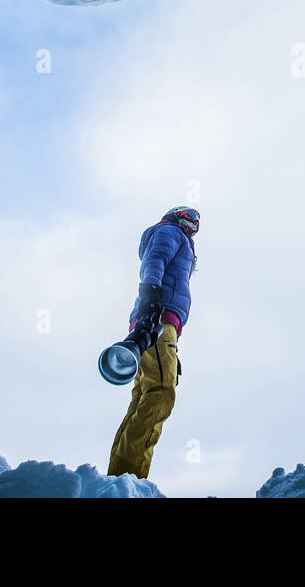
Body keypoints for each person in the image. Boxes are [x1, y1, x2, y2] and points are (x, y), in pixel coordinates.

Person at [107, 205, 199, 480]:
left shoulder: (177, 237)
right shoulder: (170, 231)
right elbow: (156, 258)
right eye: (191, 217)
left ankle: (117, 480)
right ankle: (130, 478)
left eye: (198, 222)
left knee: (143, 397)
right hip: (159, 318)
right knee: (160, 394)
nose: (194, 225)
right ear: (176, 215)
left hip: (158, 323)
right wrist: (152, 295)